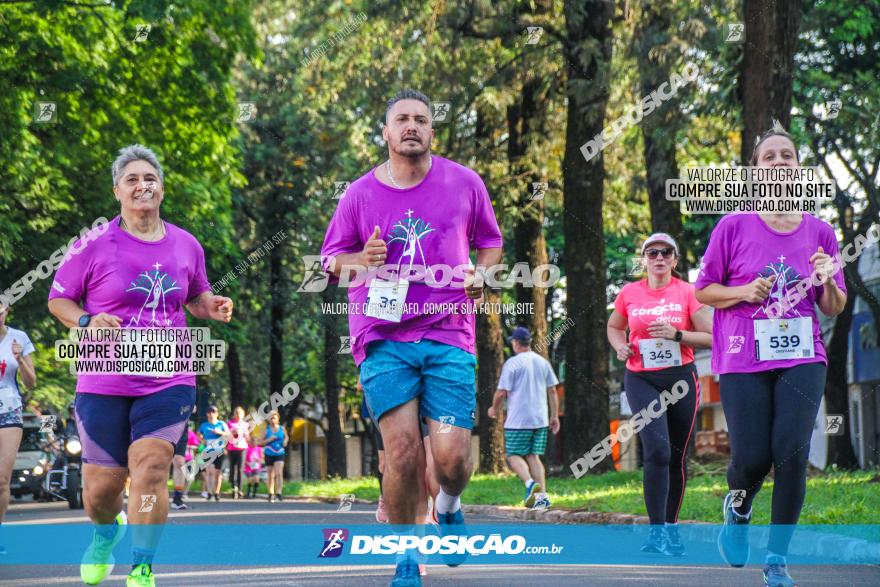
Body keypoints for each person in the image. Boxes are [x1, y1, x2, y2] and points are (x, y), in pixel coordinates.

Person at [321, 88, 502, 587]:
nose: (411, 126)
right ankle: (407, 555)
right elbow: (331, 262)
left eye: (421, 119)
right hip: (383, 337)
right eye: (401, 118)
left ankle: (448, 506)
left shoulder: (464, 183)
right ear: (385, 132)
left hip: (449, 333)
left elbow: (490, 242)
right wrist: (363, 260)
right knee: (400, 452)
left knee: (451, 459)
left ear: (431, 131)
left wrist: (482, 276)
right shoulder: (358, 194)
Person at [47, 144, 234, 587]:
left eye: (149, 179)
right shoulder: (91, 244)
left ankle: (143, 565)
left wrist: (213, 306)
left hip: (168, 376)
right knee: (100, 492)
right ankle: (105, 533)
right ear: (117, 191)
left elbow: (195, 297)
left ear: (162, 189)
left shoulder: (186, 244)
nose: (142, 185)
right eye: (131, 179)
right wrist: (88, 320)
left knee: (150, 467)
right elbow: (58, 300)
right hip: (103, 381)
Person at [694, 124, 847, 587]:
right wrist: (743, 290)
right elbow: (704, 289)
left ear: (798, 169)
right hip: (743, 355)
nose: (779, 162)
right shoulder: (733, 226)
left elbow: (834, 306)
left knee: (792, 454)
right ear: (756, 172)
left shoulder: (821, 232)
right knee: (752, 456)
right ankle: (738, 508)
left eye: (787, 156)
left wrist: (826, 277)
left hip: (803, 353)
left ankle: (777, 559)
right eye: (769, 157)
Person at [607, 234, 713, 555]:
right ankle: (655, 533)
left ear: (675, 260)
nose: (659, 257)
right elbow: (614, 327)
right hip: (642, 379)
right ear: (644, 259)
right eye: (652, 252)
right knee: (657, 451)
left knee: (676, 455)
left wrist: (678, 334)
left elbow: (711, 336)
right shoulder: (629, 293)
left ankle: (671, 526)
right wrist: (620, 346)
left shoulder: (689, 292)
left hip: (680, 378)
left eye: (666, 252)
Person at [488, 326, 560, 511]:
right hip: (540, 419)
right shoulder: (542, 362)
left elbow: (501, 392)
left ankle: (529, 484)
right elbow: (552, 390)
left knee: (512, 455)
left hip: (518, 420)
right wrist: (554, 416)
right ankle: (542, 498)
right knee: (533, 456)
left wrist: (493, 408)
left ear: (515, 343)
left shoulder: (513, 363)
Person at [0, 301, 37, 555]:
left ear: (6, 311)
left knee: (2, 479)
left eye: (0, 309)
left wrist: (19, 359)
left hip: (9, 410)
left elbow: (31, 383)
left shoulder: (18, 338)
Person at [198, 406, 229, 502]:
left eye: (214, 412)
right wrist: (201, 439)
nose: (211, 413)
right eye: (210, 412)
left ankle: (217, 492)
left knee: (217, 473)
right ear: (207, 414)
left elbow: (229, 434)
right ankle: (209, 492)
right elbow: (199, 434)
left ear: (217, 414)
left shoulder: (221, 423)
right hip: (208, 451)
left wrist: (219, 432)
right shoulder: (204, 425)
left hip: (219, 450)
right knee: (209, 472)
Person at [259, 411, 288, 503]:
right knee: (270, 474)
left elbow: (286, 437)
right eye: (270, 418)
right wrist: (269, 439)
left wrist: (285, 441)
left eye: (274, 417)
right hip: (269, 453)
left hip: (279, 453)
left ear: (278, 418)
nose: (272, 419)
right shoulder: (266, 429)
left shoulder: (282, 428)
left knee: (279, 472)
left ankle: (279, 492)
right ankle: (271, 492)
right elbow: (260, 442)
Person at [170, 419, 198, 510]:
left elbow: (193, 407)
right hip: (163, 421)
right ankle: (151, 499)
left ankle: (177, 499)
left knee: (179, 462)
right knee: (159, 463)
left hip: (181, 423)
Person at [226, 406, 249, 499]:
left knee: (240, 469)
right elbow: (227, 436)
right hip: (232, 448)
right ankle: (233, 488)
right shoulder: (230, 423)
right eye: (236, 413)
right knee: (232, 469)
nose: (238, 415)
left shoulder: (246, 424)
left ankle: (239, 489)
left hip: (242, 448)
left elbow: (247, 437)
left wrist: (246, 434)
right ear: (234, 414)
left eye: (240, 413)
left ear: (243, 415)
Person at [243, 434, 263, 499]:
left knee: (256, 479)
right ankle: (248, 493)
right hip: (248, 467)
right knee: (250, 479)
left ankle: (254, 494)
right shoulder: (247, 449)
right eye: (253, 442)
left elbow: (262, 458)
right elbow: (244, 459)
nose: (254, 443)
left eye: (255, 442)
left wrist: (259, 460)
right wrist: (248, 463)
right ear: (251, 442)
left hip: (256, 467)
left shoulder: (259, 449)